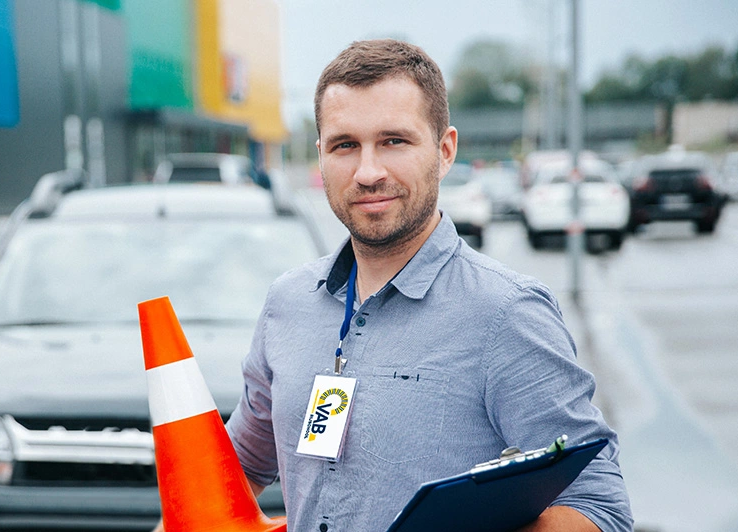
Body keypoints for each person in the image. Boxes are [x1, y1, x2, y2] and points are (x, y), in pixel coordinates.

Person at [219, 39, 633, 531]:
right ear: (321, 156)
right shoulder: (288, 304)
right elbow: (236, 471)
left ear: (445, 150)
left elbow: (600, 509)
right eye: (345, 145)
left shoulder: (506, 314)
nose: (368, 172)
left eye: (394, 141)